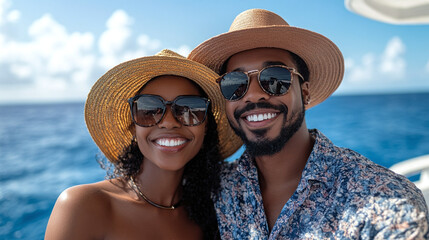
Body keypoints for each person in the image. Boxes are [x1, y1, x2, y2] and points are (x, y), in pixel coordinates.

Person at [189, 9, 429, 239]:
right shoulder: (214, 189)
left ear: (305, 93)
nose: (253, 95)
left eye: (274, 79)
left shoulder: (381, 197)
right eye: (235, 84)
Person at [45, 49, 242, 239]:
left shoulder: (214, 213)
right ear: (133, 127)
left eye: (189, 109)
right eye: (149, 110)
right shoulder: (83, 207)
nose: (169, 122)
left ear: (206, 126)